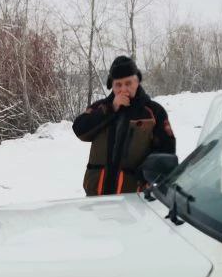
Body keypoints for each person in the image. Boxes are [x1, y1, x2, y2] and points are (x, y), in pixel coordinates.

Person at [72, 55, 175, 195]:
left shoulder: (154, 111)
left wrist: (145, 172)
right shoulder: (101, 107)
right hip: (96, 195)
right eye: (118, 85)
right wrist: (111, 108)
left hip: (133, 197)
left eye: (128, 83)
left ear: (137, 81)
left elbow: (166, 149)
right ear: (111, 85)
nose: (123, 89)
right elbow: (79, 129)